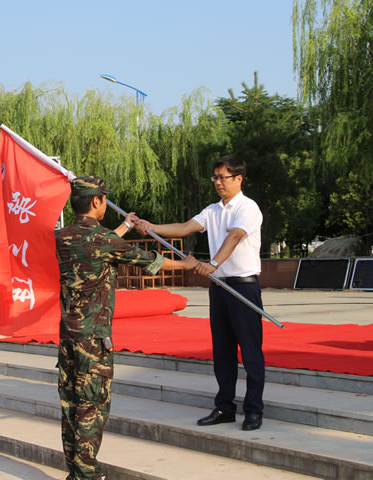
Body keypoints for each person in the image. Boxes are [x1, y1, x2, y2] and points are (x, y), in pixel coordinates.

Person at [55, 176, 197, 480]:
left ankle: (75, 472)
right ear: (96, 201)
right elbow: (149, 261)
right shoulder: (106, 241)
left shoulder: (64, 237)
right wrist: (186, 265)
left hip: (68, 335)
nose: (105, 203)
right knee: (91, 409)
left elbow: (101, 245)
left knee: (71, 407)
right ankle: (87, 475)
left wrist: (125, 226)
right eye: (104, 199)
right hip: (93, 339)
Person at [134, 154, 265, 431]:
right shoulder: (212, 210)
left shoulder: (248, 208)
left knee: (251, 351)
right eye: (215, 177)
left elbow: (235, 237)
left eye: (223, 177)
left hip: (243, 286)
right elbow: (185, 227)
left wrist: (213, 263)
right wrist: (151, 227)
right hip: (219, 289)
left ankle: (254, 410)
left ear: (238, 179)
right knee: (223, 351)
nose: (218, 182)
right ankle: (225, 407)